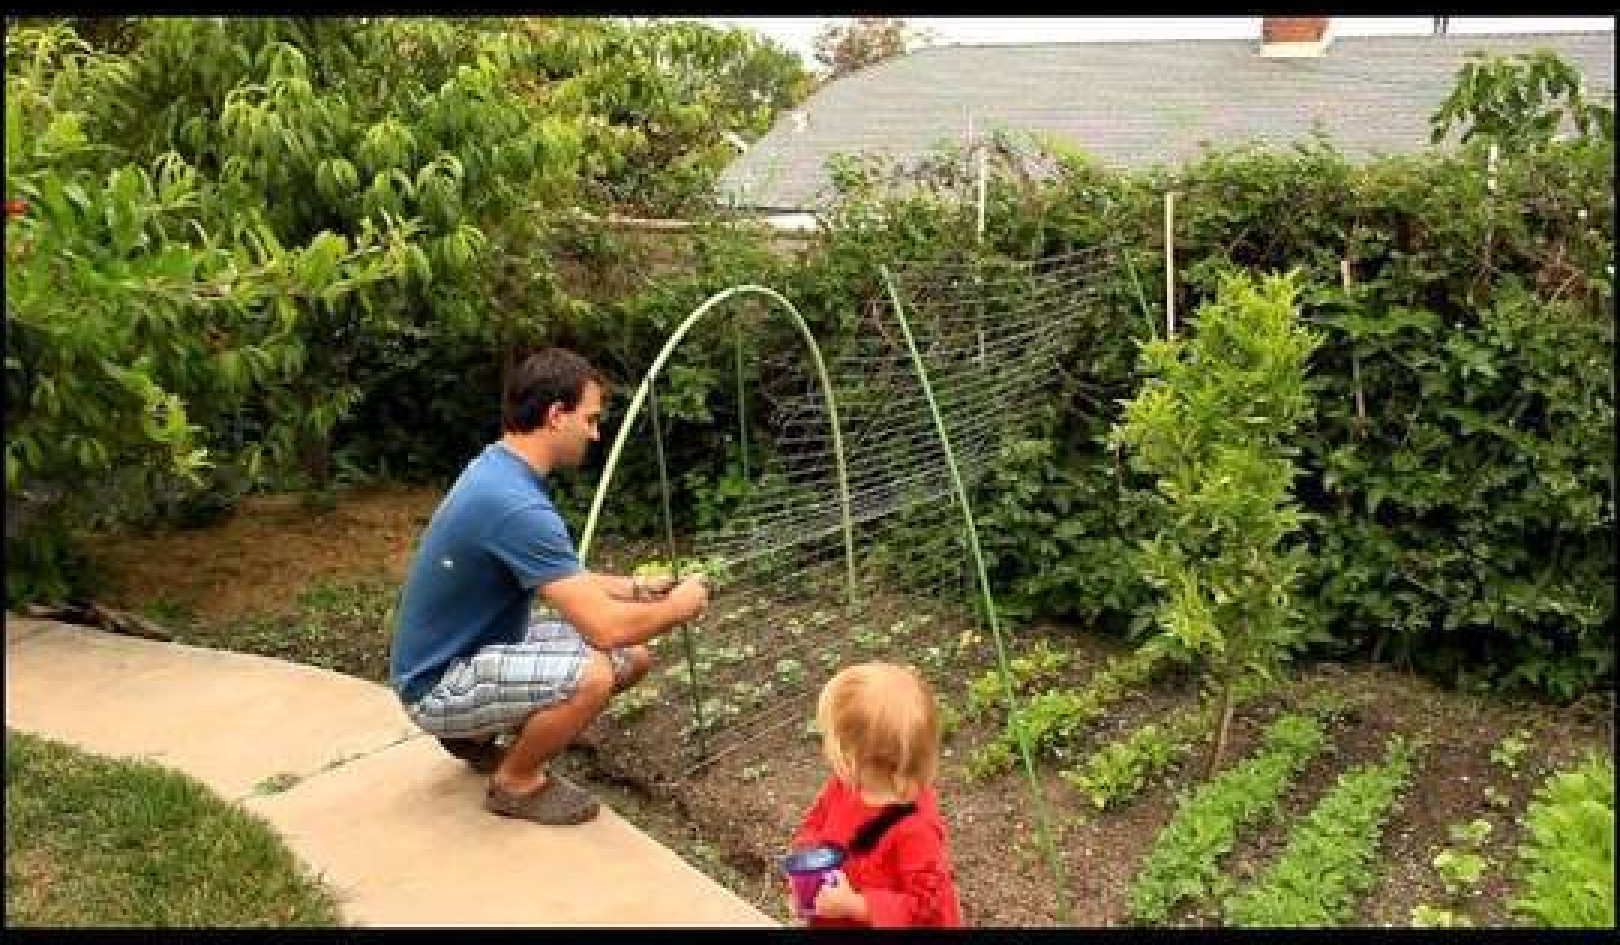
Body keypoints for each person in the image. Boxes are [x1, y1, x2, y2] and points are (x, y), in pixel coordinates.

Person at [389, 347, 710, 825]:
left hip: (463, 653)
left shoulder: (498, 470)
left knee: (634, 659)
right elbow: (605, 629)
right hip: (438, 682)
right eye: (590, 418)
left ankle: (477, 735)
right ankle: (516, 783)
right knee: (593, 675)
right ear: (557, 415)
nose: (595, 432)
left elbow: (554, 575)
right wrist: (680, 607)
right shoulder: (516, 505)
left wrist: (635, 589)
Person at [788, 662, 965, 928]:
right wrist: (805, 875)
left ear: (851, 754)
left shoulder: (916, 830)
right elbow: (815, 824)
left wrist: (857, 906)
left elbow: (929, 909)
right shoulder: (845, 785)